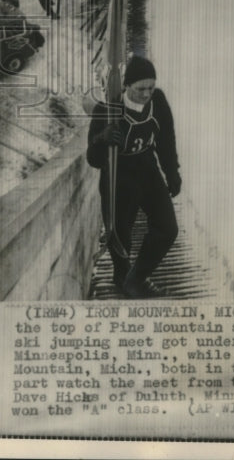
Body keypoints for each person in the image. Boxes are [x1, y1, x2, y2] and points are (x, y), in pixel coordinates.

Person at [86, 56, 181, 297]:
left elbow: (166, 140)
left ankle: (136, 277)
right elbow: (93, 160)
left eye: (150, 87)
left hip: (147, 168)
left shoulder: (157, 102)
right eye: (140, 89)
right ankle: (122, 278)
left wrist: (172, 173)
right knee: (120, 234)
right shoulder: (106, 110)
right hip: (119, 176)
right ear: (127, 86)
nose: (147, 93)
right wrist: (102, 139)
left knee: (167, 228)